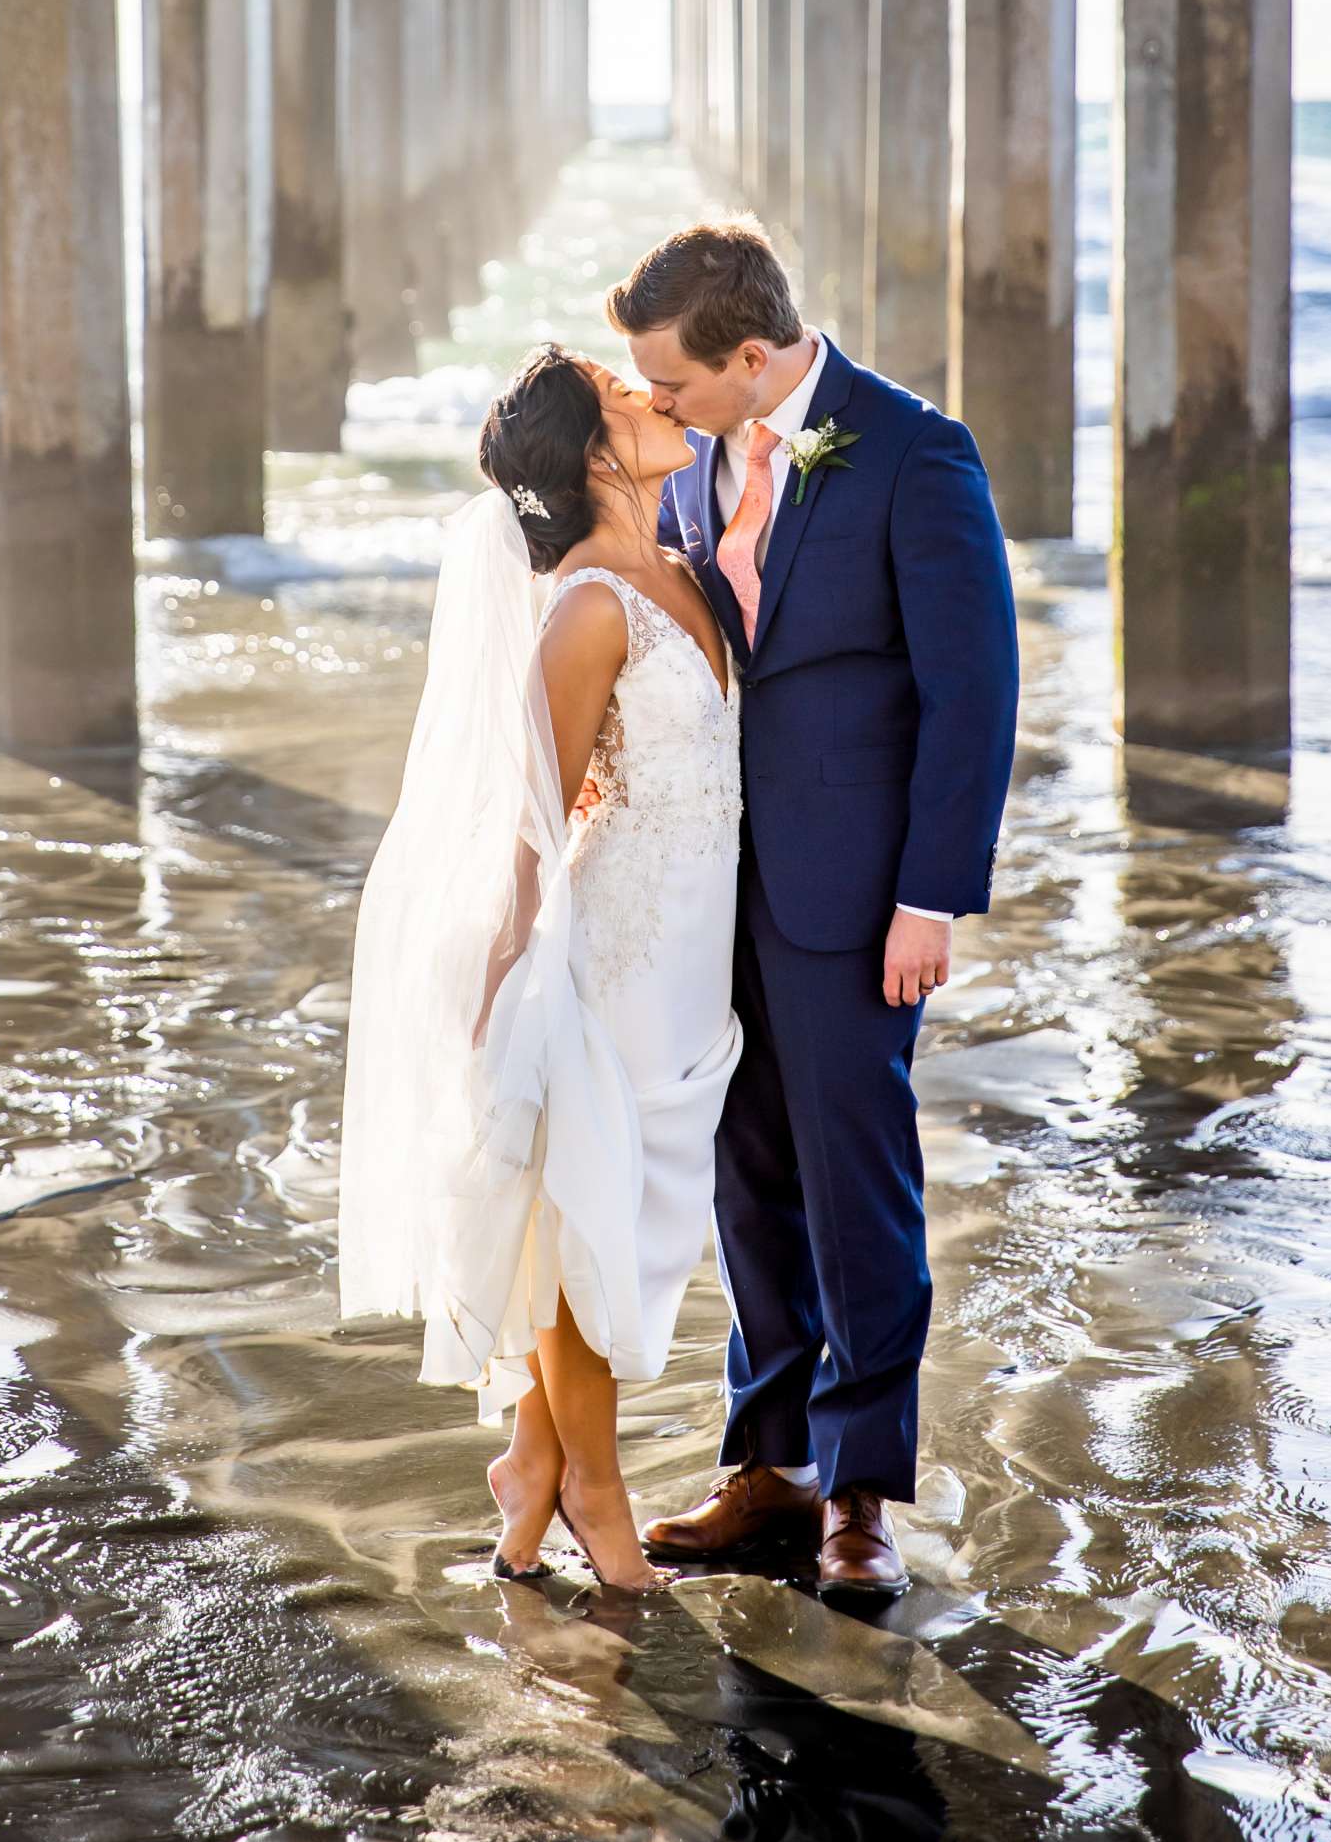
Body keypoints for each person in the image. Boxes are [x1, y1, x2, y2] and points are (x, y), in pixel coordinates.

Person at [608, 214, 1019, 1606]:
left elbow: (975, 697)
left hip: (858, 904)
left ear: (753, 354)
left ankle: (860, 1494)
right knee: (748, 1177)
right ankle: (767, 1466)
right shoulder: (689, 463)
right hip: (709, 890)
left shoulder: (914, 452)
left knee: (860, 1189)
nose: (656, 406)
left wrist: (930, 898)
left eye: (674, 380)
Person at [338, 343, 743, 1594]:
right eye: (622, 396)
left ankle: (527, 1471)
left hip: (688, 949)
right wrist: (504, 969)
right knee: (588, 1210)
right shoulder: (580, 609)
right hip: (611, 946)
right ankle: (594, 1492)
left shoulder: (679, 570)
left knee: (634, 1210)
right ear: (589, 456)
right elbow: (535, 817)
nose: (650, 395)